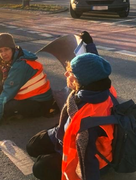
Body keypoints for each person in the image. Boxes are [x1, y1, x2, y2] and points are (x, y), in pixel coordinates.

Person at [26, 32, 116, 180]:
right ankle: (54, 149)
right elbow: (95, 64)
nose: (65, 74)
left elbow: (87, 164)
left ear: (80, 81)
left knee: (40, 168)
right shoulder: (102, 85)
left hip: (92, 155)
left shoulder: (88, 122)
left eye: (70, 73)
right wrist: (90, 44)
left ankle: (55, 155)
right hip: (67, 132)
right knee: (32, 146)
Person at [0, 33, 54, 134]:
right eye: (0, 51)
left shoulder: (20, 65)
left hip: (40, 103)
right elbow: (1, 83)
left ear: (13, 48)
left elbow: (6, 93)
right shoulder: (17, 56)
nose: (3, 54)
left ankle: (15, 114)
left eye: (6, 49)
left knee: (3, 107)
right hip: (31, 97)